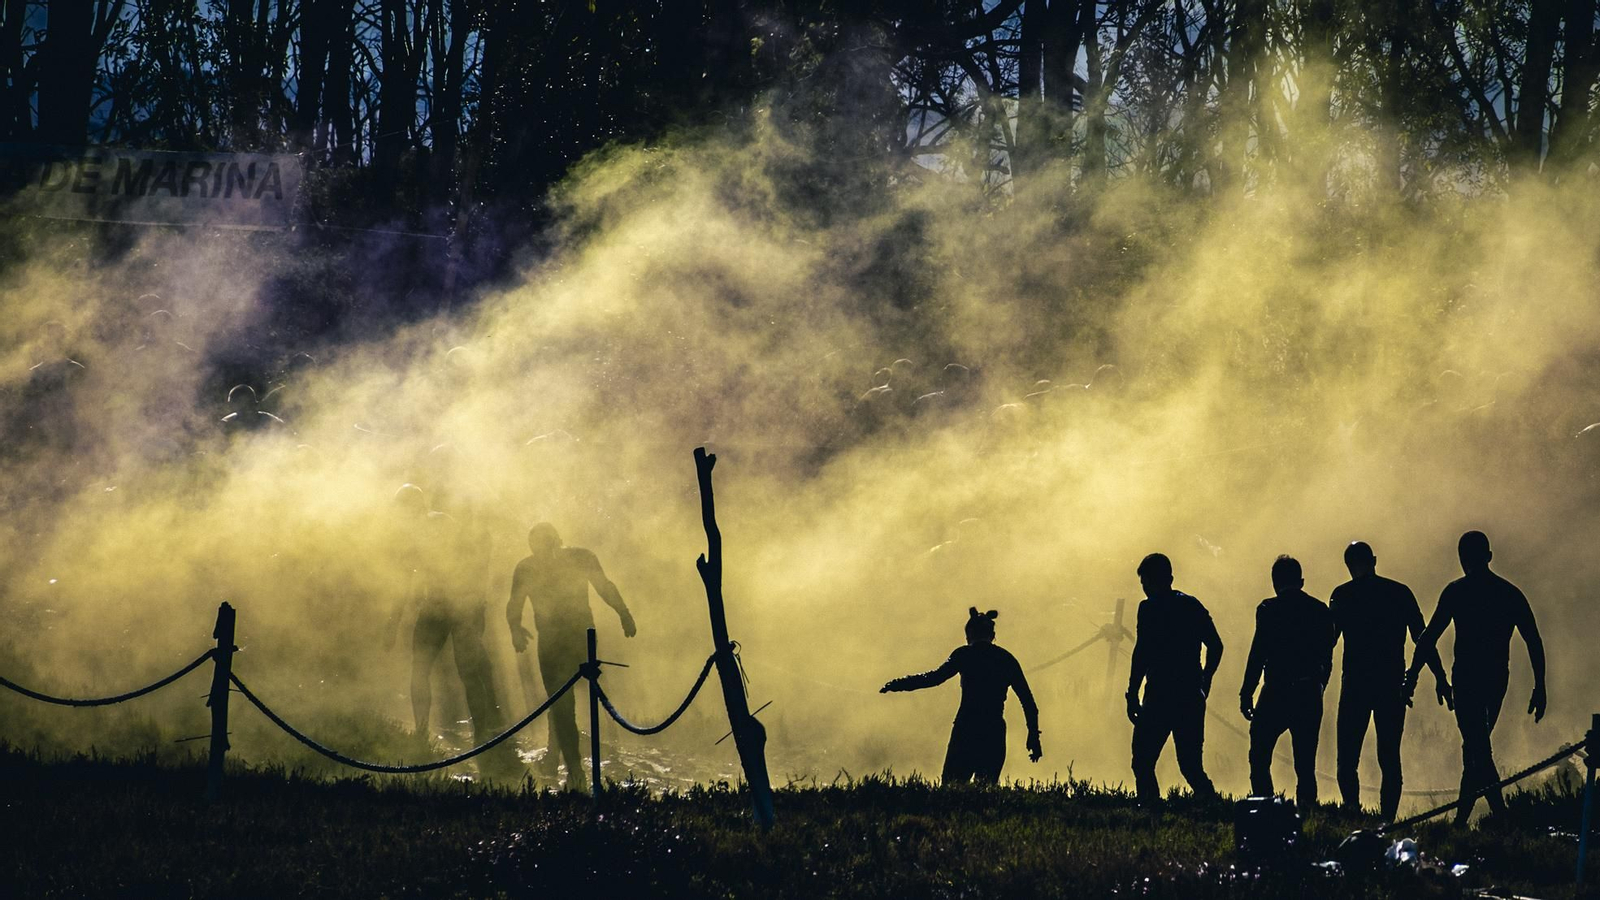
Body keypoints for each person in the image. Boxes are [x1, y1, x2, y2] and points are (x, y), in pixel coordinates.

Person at [1406, 531, 1547, 825]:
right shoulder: (1509, 593)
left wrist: (1413, 677)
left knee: (1477, 748)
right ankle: (1464, 821)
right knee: (1476, 747)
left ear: (1462, 559)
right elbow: (1533, 640)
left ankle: (1498, 817)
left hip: (1468, 678)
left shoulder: (1457, 591)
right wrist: (1540, 685)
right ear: (1489, 557)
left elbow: (1428, 638)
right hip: (1496, 678)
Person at [391, 484, 521, 781]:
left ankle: (473, 732)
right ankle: (439, 731)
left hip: (456, 604)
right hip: (445, 605)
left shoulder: (434, 522)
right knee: (435, 668)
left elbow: (464, 563)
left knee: (458, 669)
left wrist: (473, 605)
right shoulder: (423, 527)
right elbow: (409, 576)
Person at [506, 523, 636, 791]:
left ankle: (571, 766)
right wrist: (515, 629)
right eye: (539, 546)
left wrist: (623, 613)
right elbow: (514, 602)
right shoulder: (527, 568)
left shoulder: (580, 558)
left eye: (548, 544)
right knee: (561, 702)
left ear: (558, 541)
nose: (545, 551)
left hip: (579, 639)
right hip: (552, 642)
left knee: (564, 702)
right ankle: (569, 764)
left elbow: (604, 586)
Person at [1330, 540, 1450, 821]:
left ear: (1349, 567)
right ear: (1374, 559)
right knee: (1389, 757)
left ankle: (1353, 812)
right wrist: (1439, 677)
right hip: (1390, 684)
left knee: (1347, 759)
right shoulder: (1399, 593)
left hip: (1356, 685)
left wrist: (1315, 677)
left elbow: (1328, 642)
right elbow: (1423, 639)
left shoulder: (1343, 595)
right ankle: (1387, 820)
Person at [880, 608, 1041, 785]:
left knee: (952, 787)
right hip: (993, 730)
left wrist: (899, 684)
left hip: (966, 728)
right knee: (986, 789)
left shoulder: (964, 655)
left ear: (969, 635)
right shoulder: (1006, 659)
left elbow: (933, 678)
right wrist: (1033, 735)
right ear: (993, 634)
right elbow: (1028, 702)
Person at [1240, 555, 1336, 812]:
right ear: (1301, 581)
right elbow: (1327, 656)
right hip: (1307, 691)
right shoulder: (1320, 610)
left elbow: (1258, 653)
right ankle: (1306, 813)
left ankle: (1266, 809)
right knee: (1305, 764)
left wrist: (1246, 692)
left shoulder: (1268, 609)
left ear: (1274, 582)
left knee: (1259, 756)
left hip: (1276, 690)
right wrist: (1319, 685)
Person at [1126, 553, 1221, 803]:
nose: (1145, 588)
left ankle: (1149, 806)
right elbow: (1216, 645)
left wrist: (1132, 692)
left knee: (1143, 760)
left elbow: (1142, 653)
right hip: (1190, 694)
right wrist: (1205, 679)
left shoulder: (1148, 609)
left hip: (1159, 695)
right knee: (1190, 766)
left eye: (1145, 582)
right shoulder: (1192, 606)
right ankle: (1211, 806)